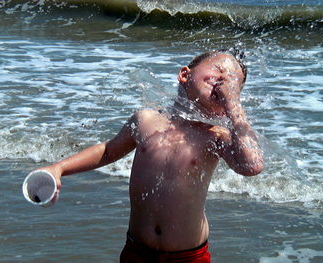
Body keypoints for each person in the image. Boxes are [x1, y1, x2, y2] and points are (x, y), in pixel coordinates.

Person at [37, 49, 264, 262]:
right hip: (137, 251)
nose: (224, 81)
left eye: (233, 82)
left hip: (188, 256)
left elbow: (251, 165)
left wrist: (234, 105)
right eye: (218, 70)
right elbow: (108, 151)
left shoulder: (216, 136)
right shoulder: (145, 120)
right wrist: (58, 168)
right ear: (185, 75)